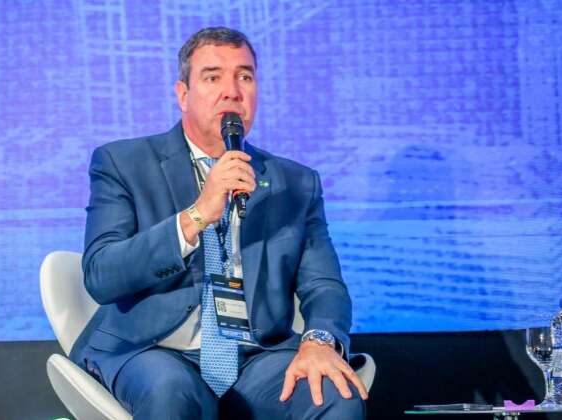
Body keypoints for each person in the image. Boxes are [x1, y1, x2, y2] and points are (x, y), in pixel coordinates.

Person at [70, 26, 368, 419]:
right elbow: (101, 274)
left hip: (256, 357)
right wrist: (198, 214)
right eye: (213, 77)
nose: (232, 91)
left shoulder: (295, 182)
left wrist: (319, 340)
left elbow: (324, 285)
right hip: (152, 349)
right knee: (171, 392)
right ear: (183, 94)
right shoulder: (122, 163)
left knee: (333, 393)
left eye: (244, 76)